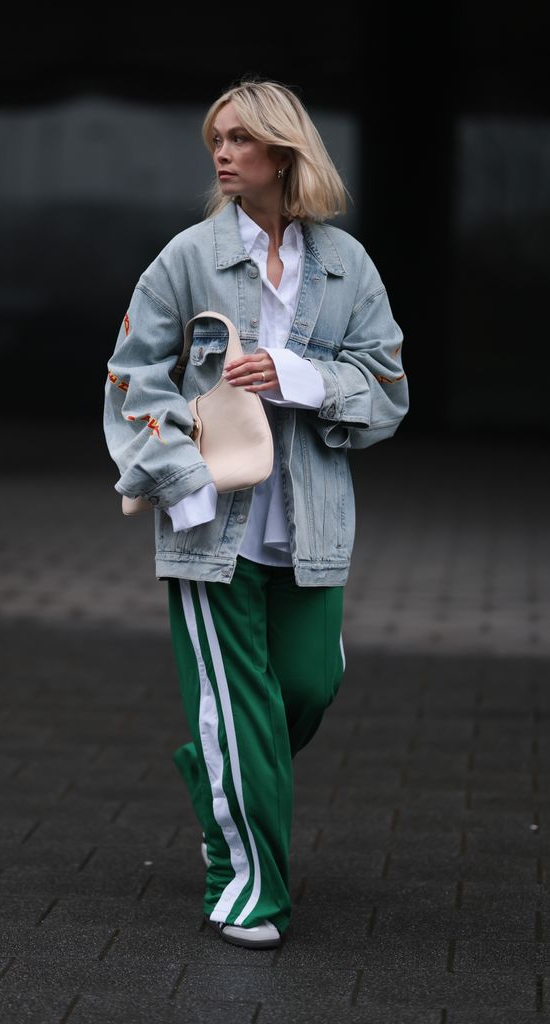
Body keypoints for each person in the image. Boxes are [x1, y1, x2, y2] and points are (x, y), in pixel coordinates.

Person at [103, 77, 408, 950]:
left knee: (307, 685)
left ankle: (219, 774)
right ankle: (246, 891)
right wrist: (181, 482)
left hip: (312, 525)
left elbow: (386, 389)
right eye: (215, 140)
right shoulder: (185, 258)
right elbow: (131, 381)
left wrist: (296, 375)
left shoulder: (349, 266)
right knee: (238, 707)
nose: (222, 154)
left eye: (238, 139)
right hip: (210, 526)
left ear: (284, 152)